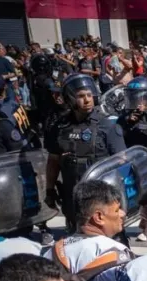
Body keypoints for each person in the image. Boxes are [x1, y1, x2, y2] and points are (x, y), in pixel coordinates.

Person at [46, 74, 126, 231]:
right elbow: (53, 160)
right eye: (81, 96)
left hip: (102, 197)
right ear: (70, 98)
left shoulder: (107, 124)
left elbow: (122, 161)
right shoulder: (59, 127)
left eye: (89, 95)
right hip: (72, 196)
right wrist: (49, 189)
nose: (87, 100)